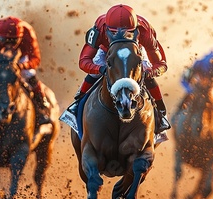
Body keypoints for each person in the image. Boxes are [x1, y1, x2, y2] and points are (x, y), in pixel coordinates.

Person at [68, 4, 170, 133]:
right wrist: (100, 69)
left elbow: (161, 63)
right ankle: (76, 106)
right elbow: (84, 61)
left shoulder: (145, 29)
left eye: (128, 33)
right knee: (93, 74)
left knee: (146, 72)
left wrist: (150, 72)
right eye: (114, 33)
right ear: (107, 30)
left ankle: (161, 112)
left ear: (135, 29)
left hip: (135, 52)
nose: (121, 36)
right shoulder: (100, 26)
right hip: (107, 51)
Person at [0, 16, 51, 127]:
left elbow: (35, 58)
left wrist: (21, 66)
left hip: (20, 58)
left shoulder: (28, 32)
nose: (9, 45)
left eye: (13, 41)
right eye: (5, 40)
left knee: (30, 75)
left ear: (20, 37)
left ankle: (42, 109)